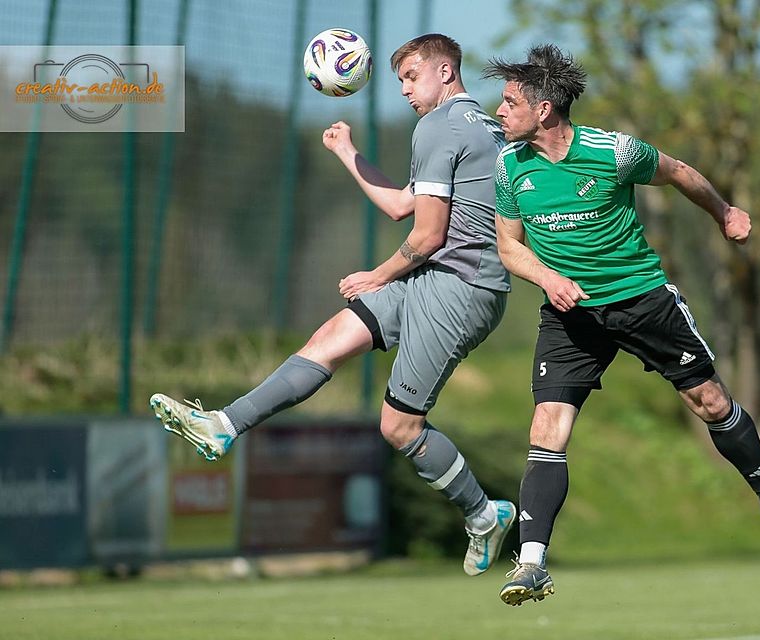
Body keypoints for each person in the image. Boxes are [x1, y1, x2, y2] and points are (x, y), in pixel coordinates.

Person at [150, 33, 516, 576]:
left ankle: (485, 514)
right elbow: (403, 206)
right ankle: (223, 425)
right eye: (400, 81)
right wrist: (349, 152)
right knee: (327, 341)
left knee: (399, 427)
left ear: (445, 71)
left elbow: (428, 235)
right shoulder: (479, 124)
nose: (405, 90)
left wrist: (376, 276)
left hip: (458, 287)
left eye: (411, 77)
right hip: (439, 279)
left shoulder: (439, 126)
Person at [482, 45, 760, 606]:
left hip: (641, 300)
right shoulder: (509, 165)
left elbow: (679, 172)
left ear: (543, 110)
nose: (499, 111)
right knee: (546, 425)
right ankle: (532, 562)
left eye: (509, 102)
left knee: (710, 402)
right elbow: (509, 246)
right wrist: (548, 277)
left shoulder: (613, 152)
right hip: (569, 312)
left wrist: (725, 213)